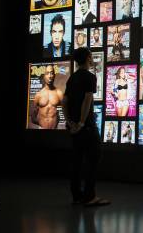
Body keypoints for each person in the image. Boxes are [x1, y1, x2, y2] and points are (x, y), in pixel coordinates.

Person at [61, 47, 109, 206]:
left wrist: (69, 122)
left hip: (74, 128)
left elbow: (65, 102)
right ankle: (90, 197)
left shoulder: (72, 78)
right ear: (88, 58)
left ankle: (76, 196)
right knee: (94, 158)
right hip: (86, 127)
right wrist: (81, 122)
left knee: (76, 161)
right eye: (91, 57)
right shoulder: (90, 77)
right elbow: (87, 100)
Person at [31, 64, 64, 129]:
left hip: (54, 129)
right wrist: (41, 123)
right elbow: (33, 117)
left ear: (54, 75)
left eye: (51, 73)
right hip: (42, 129)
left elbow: (66, 113)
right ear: (44, 76)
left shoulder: (59, 93)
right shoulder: (38, 95)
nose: (50, 76)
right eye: (47, 73)